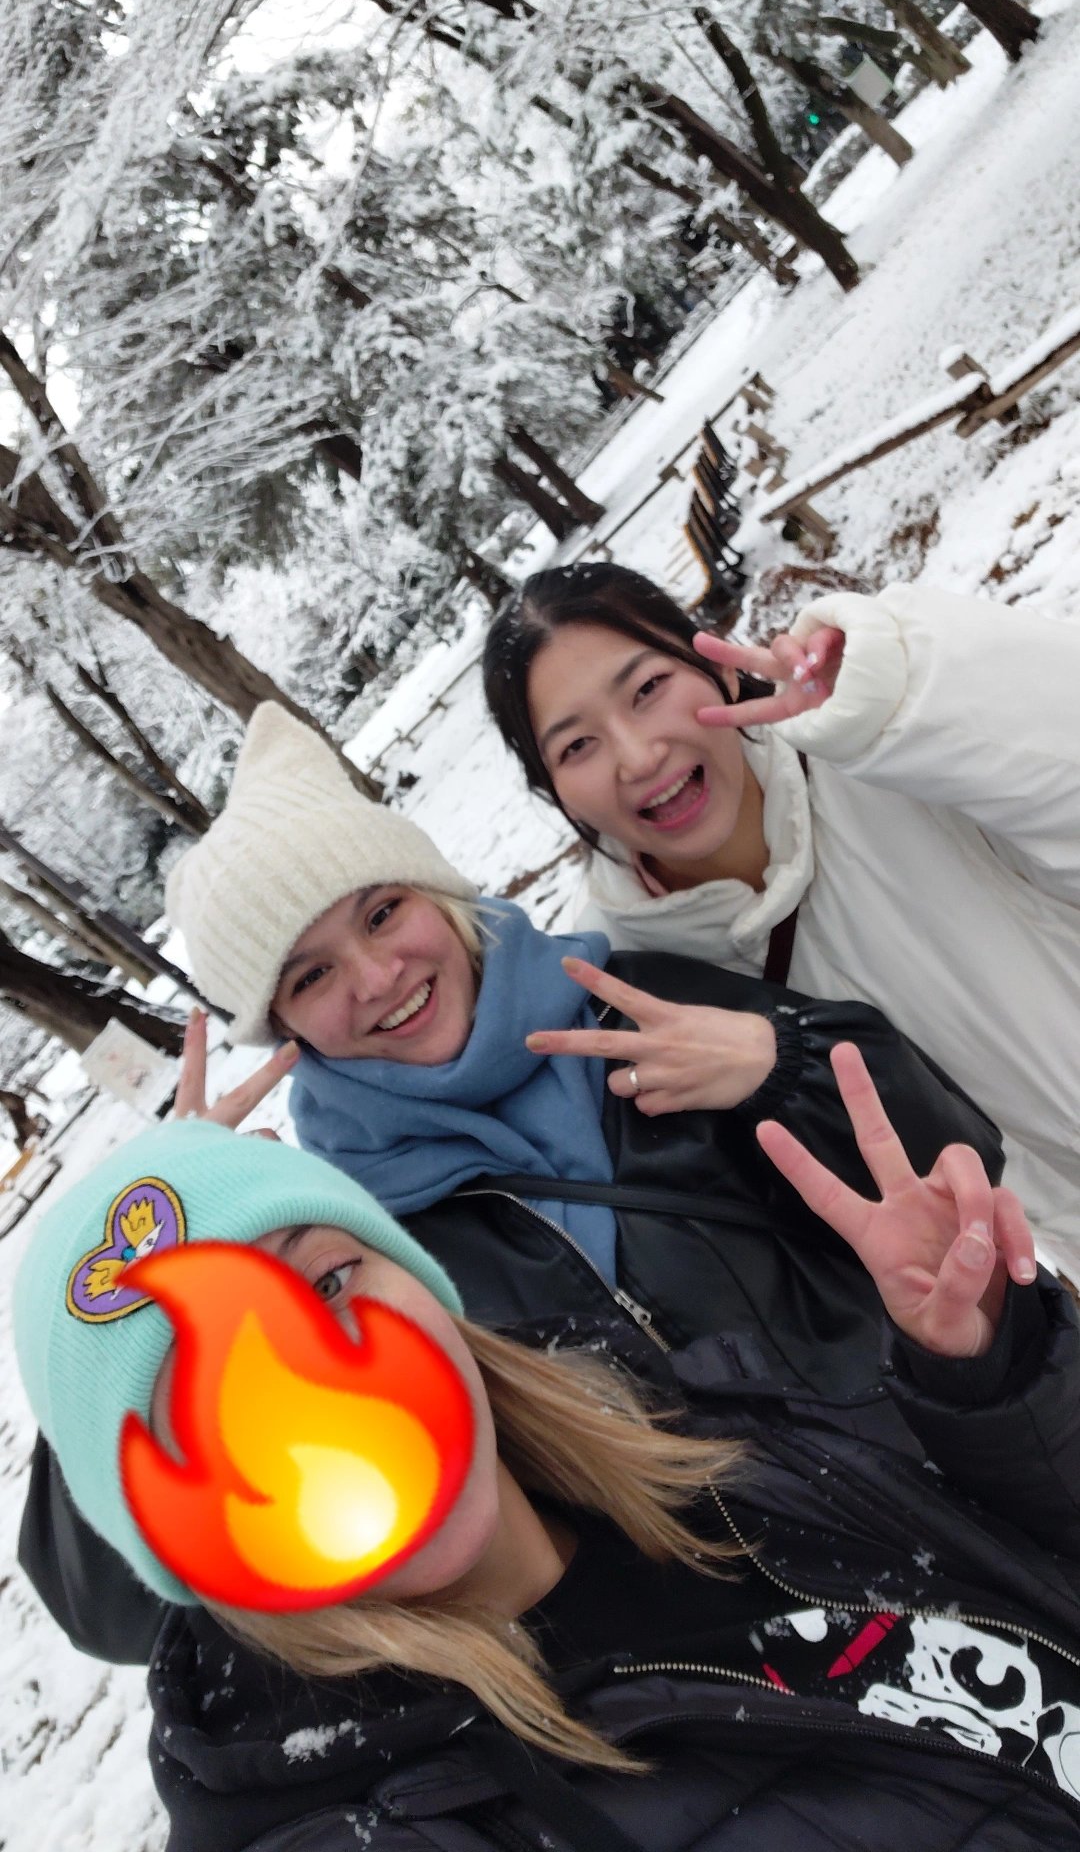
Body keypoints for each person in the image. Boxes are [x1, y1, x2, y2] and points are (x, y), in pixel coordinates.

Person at [18, 700, 1008, 1665]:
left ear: (436, 892)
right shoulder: (342, 1254)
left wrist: (781, 1063)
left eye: (383, 912)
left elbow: (957, 1153)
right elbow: (117, 1618)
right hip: (761, 1666)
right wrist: (147, 1255)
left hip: (967, 1501)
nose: (376, 976)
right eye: (310, 975)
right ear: (282, 1026)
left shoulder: (645, 1008)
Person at [13, 1070, 1080, 1851]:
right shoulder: (375, 1821)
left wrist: (995, 1380)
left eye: (329, 1283)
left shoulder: (689, 1424)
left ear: (422, 1280)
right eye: (211, 1404)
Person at [482, 562, 1080, 1258]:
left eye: (648, 688)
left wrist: (903, 697)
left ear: (719, 666)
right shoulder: (629, 990)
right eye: (577, 745)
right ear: (553, 791)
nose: (638, 757)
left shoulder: (881, 754)